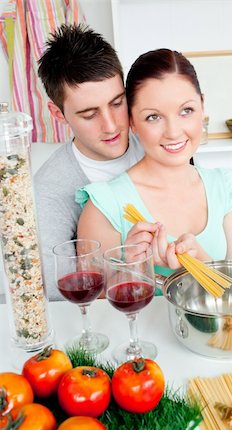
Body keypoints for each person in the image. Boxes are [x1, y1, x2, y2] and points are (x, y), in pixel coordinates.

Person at [76, 48, 232, 279]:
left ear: (202, 106)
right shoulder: (105, 206)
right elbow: (92, 307)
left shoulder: (226, 188)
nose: (173, 131)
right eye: (153, 117)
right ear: (132, 123)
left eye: (186, 110)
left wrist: (201, 261)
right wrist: (135, 267)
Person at [34, 24, 144, 300]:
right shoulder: (49, 190)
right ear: (58, 114)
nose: (111, 126)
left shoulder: (157, 146)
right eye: (89, 114)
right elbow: (59, 295)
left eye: (117, 103)